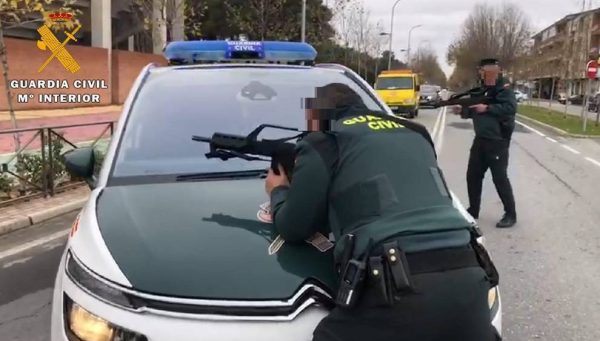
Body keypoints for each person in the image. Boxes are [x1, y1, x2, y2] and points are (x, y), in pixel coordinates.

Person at [264, 82, 499, 341]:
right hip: (469, 272)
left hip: (397, 285)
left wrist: (278, 191)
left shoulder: (325, 140)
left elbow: (295, 226)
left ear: (317, 115)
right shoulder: (415, 131)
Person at [454, 58, 517, 228]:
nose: (481, 73)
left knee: (500, 178)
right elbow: (475, 111)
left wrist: (488, 108)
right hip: (480, 139)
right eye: (480, 70)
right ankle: (473, 210)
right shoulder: (482, 89)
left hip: (497, 141)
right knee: (472, 176)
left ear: (493, 71)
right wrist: (463, 111)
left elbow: (510, 108)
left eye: (484, 71)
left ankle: (510, 214)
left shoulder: (504, 89)